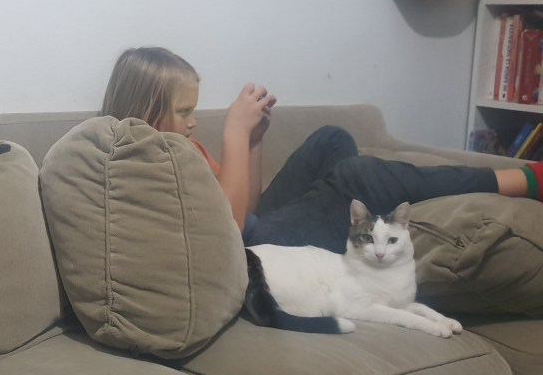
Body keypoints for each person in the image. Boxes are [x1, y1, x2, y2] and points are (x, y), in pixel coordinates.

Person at [100, 46, 543, 252]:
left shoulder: (185, 144)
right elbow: (229, 229)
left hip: (255, 225)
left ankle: (351, 232)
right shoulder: (146, 162)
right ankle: (524, 178)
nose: (193, 121)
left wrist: (252, 143)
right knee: (357, 176)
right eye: (183, 111)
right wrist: (233, 133)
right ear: (145, 110)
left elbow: (246, 206)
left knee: (332, 139)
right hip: (249, 250)